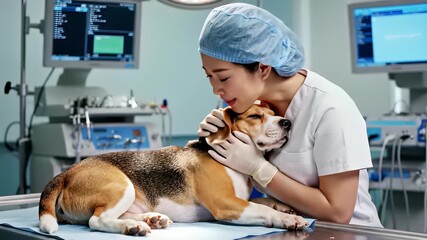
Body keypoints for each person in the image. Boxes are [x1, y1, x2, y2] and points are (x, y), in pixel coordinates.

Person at [197, 3, 382, 227]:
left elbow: (338, 213)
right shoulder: (248, 106)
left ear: (263, 69)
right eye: (209, 77)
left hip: (346, 232)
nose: (216, 90)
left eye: (224, 78)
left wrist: (259, 169)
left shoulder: (331, 108)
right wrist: (217, 138)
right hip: (290, 229)